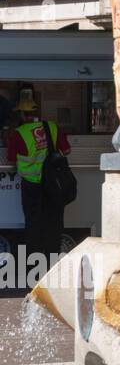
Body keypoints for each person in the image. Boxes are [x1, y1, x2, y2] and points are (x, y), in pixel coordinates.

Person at [4, 89, 70, 261]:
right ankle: (53, 263)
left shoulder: (18, 134)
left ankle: (34, 264)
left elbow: (11, 159)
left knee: (33, 224)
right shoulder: (53, 127)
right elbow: (67, 150)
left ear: (22, 115)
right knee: (54, 222)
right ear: (36, 112)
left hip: (32, 184)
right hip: (54, 184)